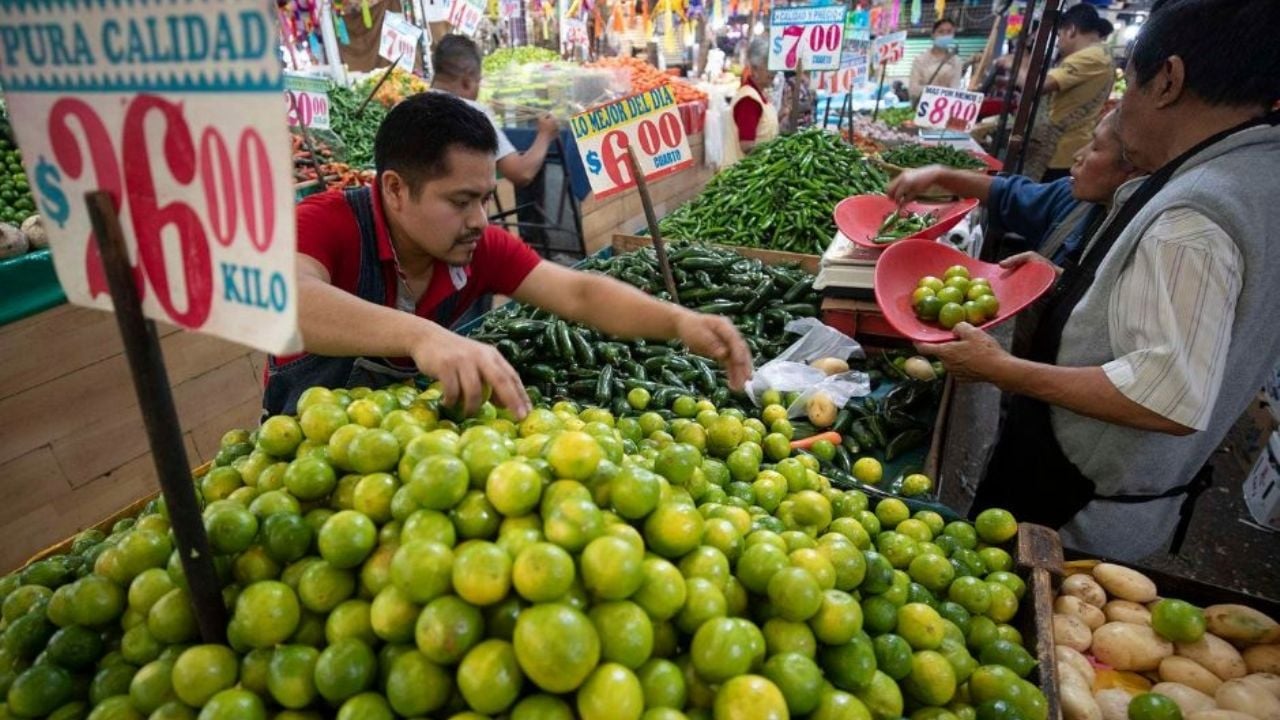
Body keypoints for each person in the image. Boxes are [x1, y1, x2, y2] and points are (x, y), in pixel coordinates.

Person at [916, 0, 1280, 561]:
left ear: (1168, 80)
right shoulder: (1259, 175)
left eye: (1127, 81)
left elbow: (1166, 396)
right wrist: (1068, 280)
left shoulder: (1197, 214)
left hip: (1080, 507)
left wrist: (1002, 370)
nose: (1120, 102)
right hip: (1119, 493)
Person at [267, 93, 753, 417]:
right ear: (395, 189)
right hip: (296, 463)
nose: (481, 219)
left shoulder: (473, 245)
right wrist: (423, 336)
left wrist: (678, 322)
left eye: (484, 197)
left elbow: (579, 293)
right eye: (461, 201)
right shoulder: (326, 224)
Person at [889, 111, 1141, 353]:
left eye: (1095, 148)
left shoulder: (1145, 236)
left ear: (1134, 168)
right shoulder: (1075, 197)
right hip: (1032, 351)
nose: (1078, 155)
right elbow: (1007, 193)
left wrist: (1061, 282)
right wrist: (939, 174)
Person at [429, 35, 558, 189]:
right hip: (459, 210)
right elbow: (521, 173)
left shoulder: (405, 108)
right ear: (467, 82)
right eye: (478, 81)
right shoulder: (474, 113)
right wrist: (545, 134)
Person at [1023, 4, 1114, 182]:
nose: (1058, 42)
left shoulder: (1091, 56)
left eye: (1059, 35)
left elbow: (1037, 86)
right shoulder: (1098, 54)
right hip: (1061, 148)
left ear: (1071, 30)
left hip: (1060, 150)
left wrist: (1014, 64)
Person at [724, 37, 779, 166]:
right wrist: (776, 156)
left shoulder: (759, 95)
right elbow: (747, 146)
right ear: (754, 69)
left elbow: (763, 127)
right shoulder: (748, 100)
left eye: (775, 66)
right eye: (769, 66)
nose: (774, 72)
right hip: (740, 178)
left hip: (754, 172)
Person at [909, 18, 965, 102]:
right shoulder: (920, 60)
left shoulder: (956, 61)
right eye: (941, 31)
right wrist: (938, 92)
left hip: (945, 108)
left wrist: (936, 92)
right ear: (933, 35)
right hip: (922, 107)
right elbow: (913, 89)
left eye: (949, 32)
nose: (945, 35)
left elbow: (955, 89)